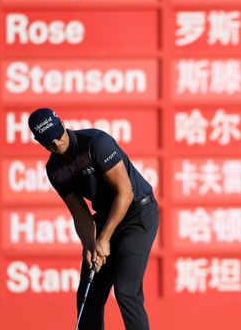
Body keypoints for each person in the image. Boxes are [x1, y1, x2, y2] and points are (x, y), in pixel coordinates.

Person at [27, 108, 159, 329]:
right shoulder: (54, 170)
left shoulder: (96, 143)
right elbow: (80, 214)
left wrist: (104, 238)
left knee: (126, 290)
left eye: (58, 135)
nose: (56, 143)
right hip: (106, 218)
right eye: (49, 142)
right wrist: (90, 245)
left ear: (62, 124)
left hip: (137, 213)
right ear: (39, 141)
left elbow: (125, 193)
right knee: (89, 294)